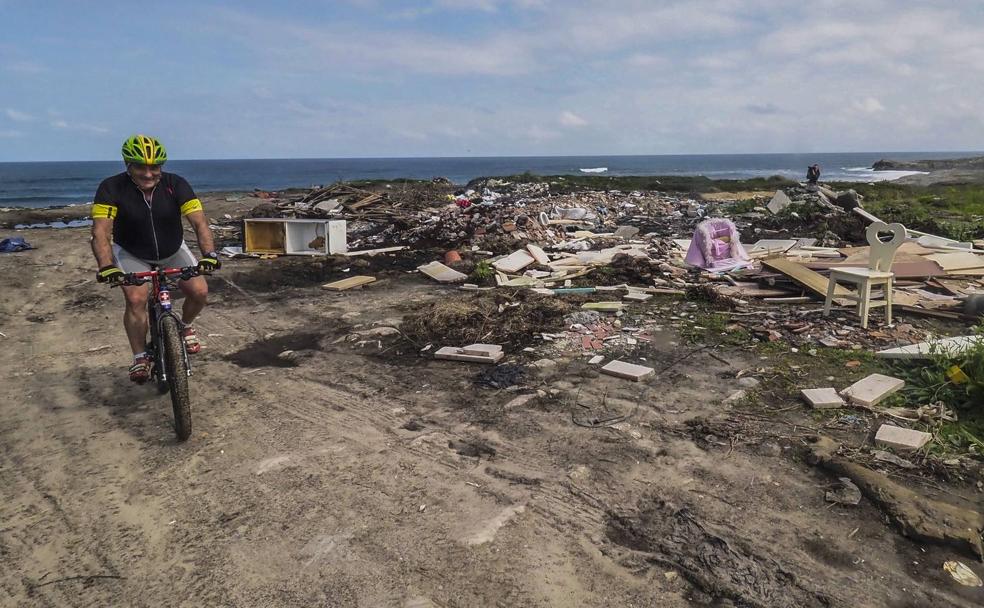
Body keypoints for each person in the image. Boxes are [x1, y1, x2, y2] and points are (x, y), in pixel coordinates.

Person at [90, 134, 220, 383]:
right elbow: (101, 231)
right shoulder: (111, 188)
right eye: (141, 167)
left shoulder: (176, 184)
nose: (148, 173)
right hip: (131, 252)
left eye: (154, 167)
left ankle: (184, 326)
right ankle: (140, 356)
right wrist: (106, 266)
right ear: (128, 166)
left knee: (200, 291)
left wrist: (209, 255)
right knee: (136, 298)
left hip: (172, 250)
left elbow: (199, 222)